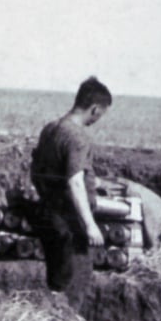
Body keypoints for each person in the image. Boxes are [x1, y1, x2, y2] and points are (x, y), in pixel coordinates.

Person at [30, 76, 112, 309]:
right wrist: (90, 225)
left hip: (49, 214)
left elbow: (36, 171)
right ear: (95, 109)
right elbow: (75, 182)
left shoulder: (50, 129)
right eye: (100, 115)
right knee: (75, 281)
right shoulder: (77, 137)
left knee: (57, 278)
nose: (97, 120)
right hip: (69, 221)